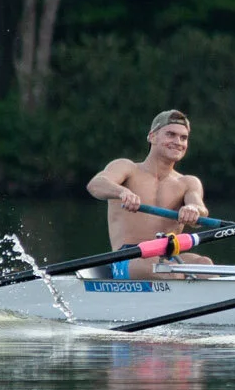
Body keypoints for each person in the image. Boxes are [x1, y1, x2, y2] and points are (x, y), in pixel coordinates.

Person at [86, 108, 216, 279]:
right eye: (170, 134)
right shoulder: (127, 168)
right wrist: (122, 192)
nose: (178, 142)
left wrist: (193, 209)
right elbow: (95, 185)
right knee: (167, 272)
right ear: (152, 136)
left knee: (205, 266)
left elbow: (200, 209)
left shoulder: (188, 182)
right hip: (128, 257)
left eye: (183, 138)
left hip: (168, 256)